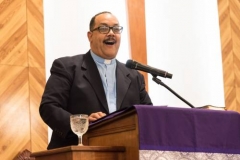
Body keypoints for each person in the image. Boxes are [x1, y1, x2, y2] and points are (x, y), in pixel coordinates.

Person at [39, 11, 152, 150]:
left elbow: (148, 115)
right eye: (103, 28)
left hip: (124, 152)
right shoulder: (67, 67)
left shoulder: (134, 76)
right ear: (90, 36)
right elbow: (49, 107)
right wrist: (82, 123)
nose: (111, 33)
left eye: (116, 29)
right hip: (77, 152)